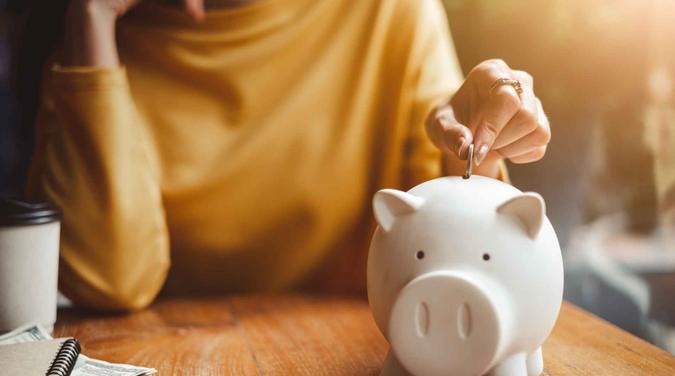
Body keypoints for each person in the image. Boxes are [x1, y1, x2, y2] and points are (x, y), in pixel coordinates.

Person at [18, 0, 550, 311]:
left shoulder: (387, 13)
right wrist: (90, 16)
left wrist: (477, 143)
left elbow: (453, 240)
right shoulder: (95, 46)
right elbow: (109, 281)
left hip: (349, 343)